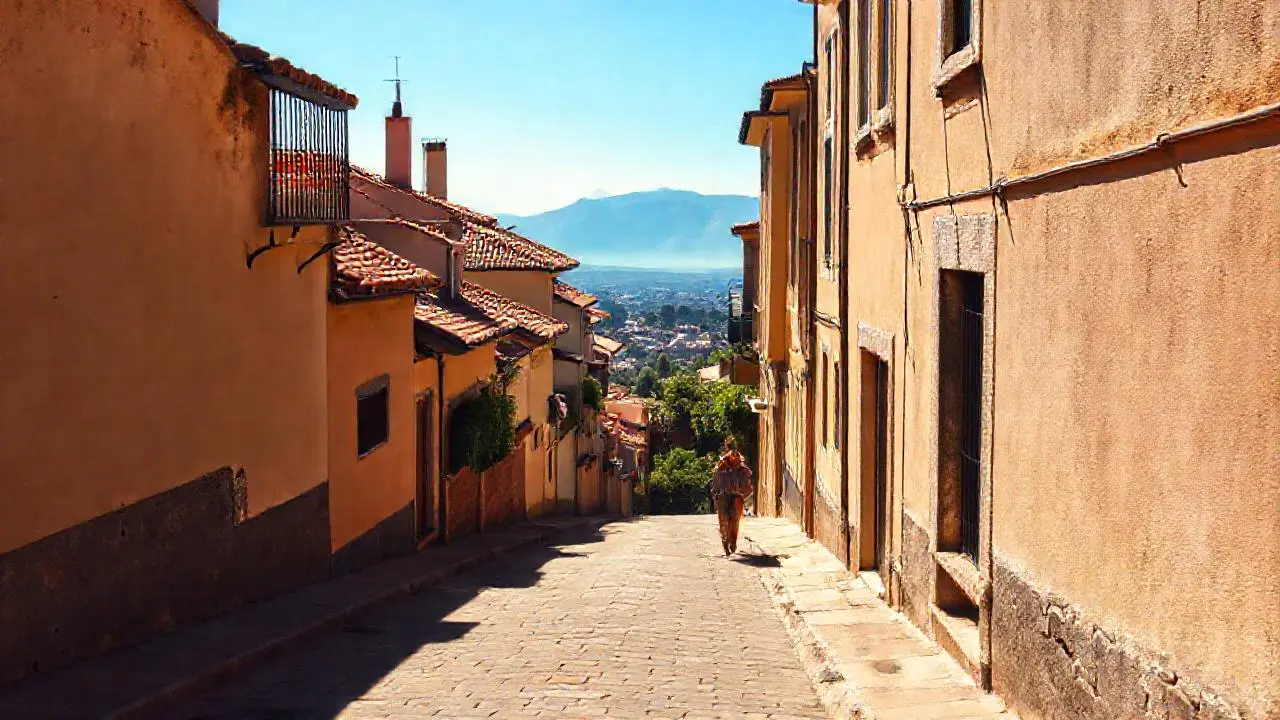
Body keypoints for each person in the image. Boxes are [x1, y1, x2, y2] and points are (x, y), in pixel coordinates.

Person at [711, 436, 753, 556]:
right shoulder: (731, 461)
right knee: (732, 520)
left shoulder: (727, 461)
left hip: (727, 494)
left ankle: (728, 541)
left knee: (727, 519)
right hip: (731, 494)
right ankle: (729, 542)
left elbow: (716, 476)